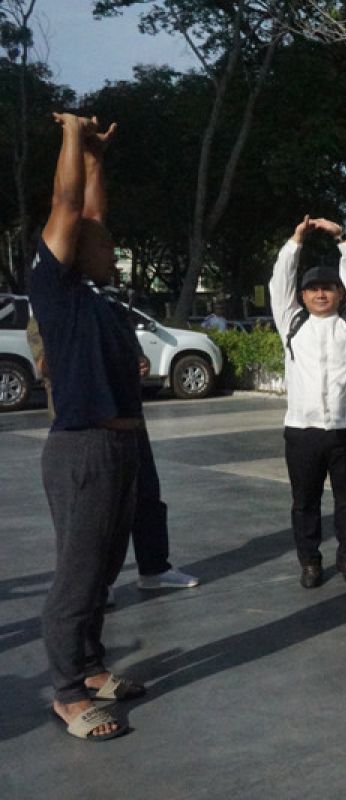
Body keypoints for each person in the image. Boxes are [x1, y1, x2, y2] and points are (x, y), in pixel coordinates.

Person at [32, 112, 142, 741]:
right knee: (77, 576)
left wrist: (97, 155)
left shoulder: (97, 295)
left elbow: (90, 208)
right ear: (73, 249)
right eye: (98, 240)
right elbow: (68, 204)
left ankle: (94, 667)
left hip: (121, 445)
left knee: (103, 569)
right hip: (83, 449)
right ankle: (68, 692)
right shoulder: (56, 286)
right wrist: (72, 135)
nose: (111, 245)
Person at [28, 319, 200, 600]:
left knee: (147, 496)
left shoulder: (109, 312)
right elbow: (45, 366)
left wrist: (139, 362)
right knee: (95, 511)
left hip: (128, 419)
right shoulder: (48, 317)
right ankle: (96, 586)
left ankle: (154, 568)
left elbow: (133, 356)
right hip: (86, 426)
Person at [269, 215, 346, 589]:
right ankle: (310, 561)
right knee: (304, 503)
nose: (321, 294)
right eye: (313, 289)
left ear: (340, 293)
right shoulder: (292, 323)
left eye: (329, 288)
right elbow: (279, 282)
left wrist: (343, 240)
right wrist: (295, 243)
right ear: (302, 296)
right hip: (302, 430)